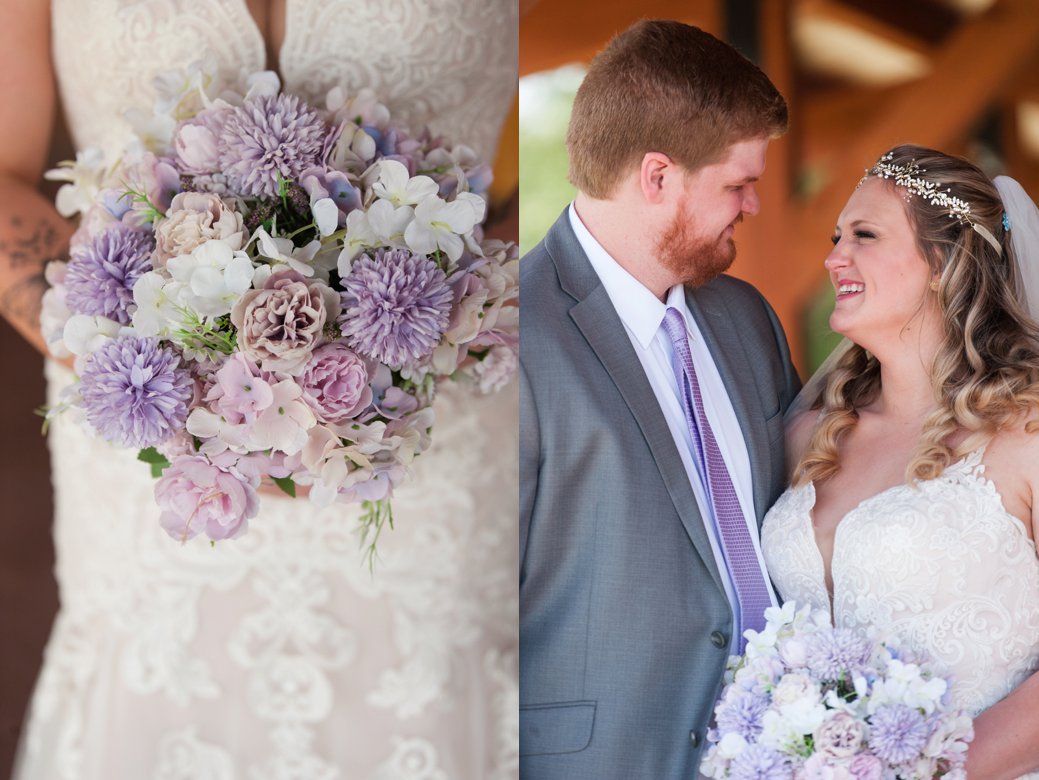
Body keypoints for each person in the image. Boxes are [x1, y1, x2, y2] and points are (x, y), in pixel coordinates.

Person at [0, 2, 518, 778]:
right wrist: (167, 391)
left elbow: (588, 141)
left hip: (430, 447)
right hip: (146, 453)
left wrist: (453, 320)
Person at [519, 20, 801, 779]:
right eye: (737, 184)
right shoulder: (510, 335)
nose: (753, 205)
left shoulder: (746, 318)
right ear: (657, 177)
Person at [763, 143, 1039, 778]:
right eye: (836, 237)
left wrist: (928, 771)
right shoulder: (808, 437)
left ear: (942, 262)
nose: (834, 257)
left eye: (864, 235)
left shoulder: (1024, 435)